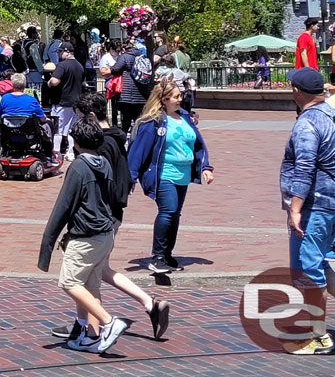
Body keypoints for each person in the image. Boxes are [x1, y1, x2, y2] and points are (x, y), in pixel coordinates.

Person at [50, 94, 170, 342]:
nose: (78, 127)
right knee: (99, 269)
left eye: (81, 119)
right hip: (111, 214)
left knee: (84, 275)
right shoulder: (115, 138)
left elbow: (99, 186)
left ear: (91, 117)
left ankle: (94, 327)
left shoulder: (100, 145)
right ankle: (147, 304)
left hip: (101, 217)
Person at [38, 114, 130, 354]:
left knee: (69, 282)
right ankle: (91, 335)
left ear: (75, 142)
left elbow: (63, 206)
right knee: (90, 285)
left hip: (86, 236)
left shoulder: (78, 167)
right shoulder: (103, 162)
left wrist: (47, 243)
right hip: (105, 233)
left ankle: (109, 323)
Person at [129, 79, 214, 274]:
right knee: (168, 211)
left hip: (183, 174)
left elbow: (198, 145)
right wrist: (130, 177)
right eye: (175, 97)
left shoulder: (184, 117)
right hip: (163, 174)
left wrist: (205, 168)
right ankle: (157, 256)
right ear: (163, 100)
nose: (180, 99)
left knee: (175, 215)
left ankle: (167, 255)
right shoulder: (153, 122)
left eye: (180, 96)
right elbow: (138, 151)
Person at [279, 68, 335, 354]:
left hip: (315, 204)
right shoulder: (330, 115)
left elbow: (305, 169)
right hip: (330, 201)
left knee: (307, 270)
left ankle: (319, 337)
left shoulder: (308, 123)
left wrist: (295, 209)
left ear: (298, 92)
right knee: (320, 263)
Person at [48, 44, 85, 162]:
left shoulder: (62, 65)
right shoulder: (80, 66)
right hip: (75, 102)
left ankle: (56, 152)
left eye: (59, 51)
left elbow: (54, 81)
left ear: (67, 52)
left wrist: (49, 82)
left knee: (57, 129)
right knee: (71, 129)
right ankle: (71, 152)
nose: (58, 54)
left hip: (61, 102)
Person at [110, 38, 152, 136]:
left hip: (127, 94)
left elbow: (115, 70)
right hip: (142, 95)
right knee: (139, 119)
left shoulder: (125, 57)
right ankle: (139, 138)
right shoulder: (144, 57)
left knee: (126, 120)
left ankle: (124, 141)